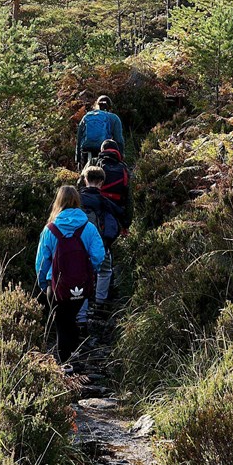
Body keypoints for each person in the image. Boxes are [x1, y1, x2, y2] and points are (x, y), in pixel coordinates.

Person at [35, 182, 106, 365]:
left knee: (61, 323)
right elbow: (99, 255)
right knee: (71, 319)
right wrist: (89, 271)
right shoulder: (88, 227)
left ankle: (66, 365)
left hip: (56, 285)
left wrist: (44, 284)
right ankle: (74, 361)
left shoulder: (50, 229)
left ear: (58, 202)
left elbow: (41, 262)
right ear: (77, 201)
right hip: (80, 285)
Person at [78, 139, 132, 325]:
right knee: (104, 266)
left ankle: (81, 316)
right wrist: (125, 224)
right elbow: (125, 204)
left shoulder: (91, 167)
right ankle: (100, 303)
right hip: (104, 234)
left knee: (82, 272)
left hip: (80, 237)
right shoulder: (123, 169)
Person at [76, 95, 124, 165]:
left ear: (96, 105)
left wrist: (78, 158)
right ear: (110, 107)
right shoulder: (114, 118)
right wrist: (120, 156)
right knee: (102, 174)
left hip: (86, 150)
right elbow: (119, 140)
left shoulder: (87, 116)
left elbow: (79, 137)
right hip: (104, 152)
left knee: (86, 174)